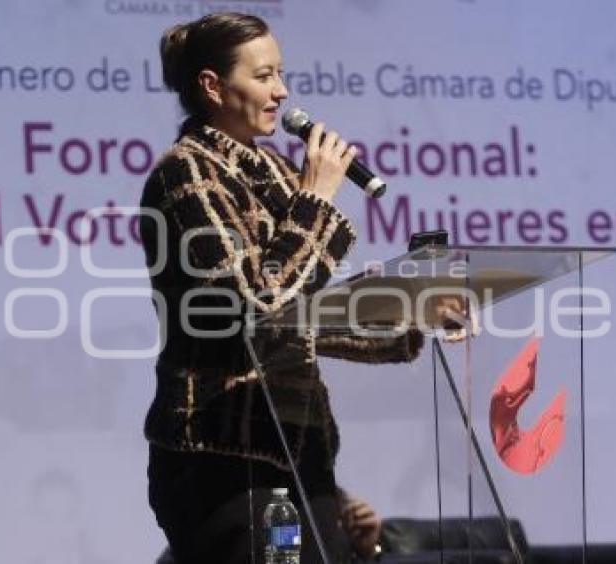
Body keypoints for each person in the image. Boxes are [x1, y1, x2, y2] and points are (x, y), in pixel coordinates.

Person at [139, 12, 424, 564]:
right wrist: (315, 198)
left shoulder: (270, 173)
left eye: (281, 74)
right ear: (213, 86)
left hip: (295, 451)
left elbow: (303, 316)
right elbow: (258, 305)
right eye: (265, 75)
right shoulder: (187, 174)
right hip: (223, 455)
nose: (282, 91)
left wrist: (417, 313)